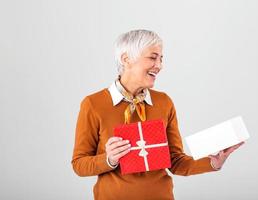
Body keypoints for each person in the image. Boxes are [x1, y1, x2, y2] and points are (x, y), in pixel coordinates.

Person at [71, 29, 244, 200]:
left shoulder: (164, 102)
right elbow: (79, 164)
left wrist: (213, 163)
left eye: (161, 59)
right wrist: (108, 159)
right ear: (126, 59)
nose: (159, 65)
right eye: (153, 58)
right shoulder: (93, 104)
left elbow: (175, 161)